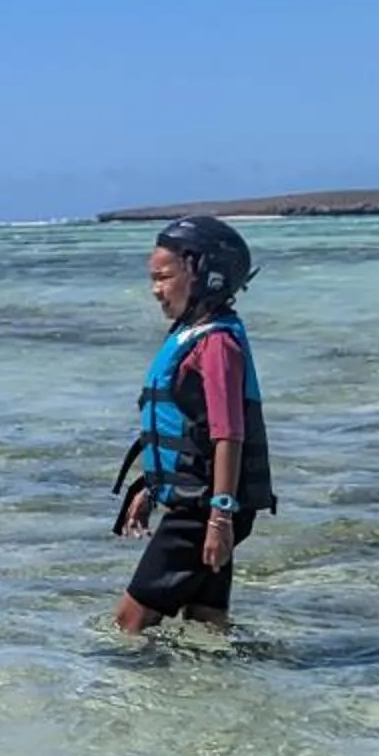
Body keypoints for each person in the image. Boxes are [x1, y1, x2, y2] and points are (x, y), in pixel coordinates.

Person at [109, 214, 277, 634]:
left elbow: (227, 434)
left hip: (207, 509)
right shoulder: (192, 335)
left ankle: (126, 681)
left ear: (205, 274)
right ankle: (236, 677)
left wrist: (220, 518)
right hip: (209, 504)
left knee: (129, 622)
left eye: (164, 277)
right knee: (207, 623)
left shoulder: (217, 344)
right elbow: (189, 429)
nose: (156, 290)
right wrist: (152, 487)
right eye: (153, 279)